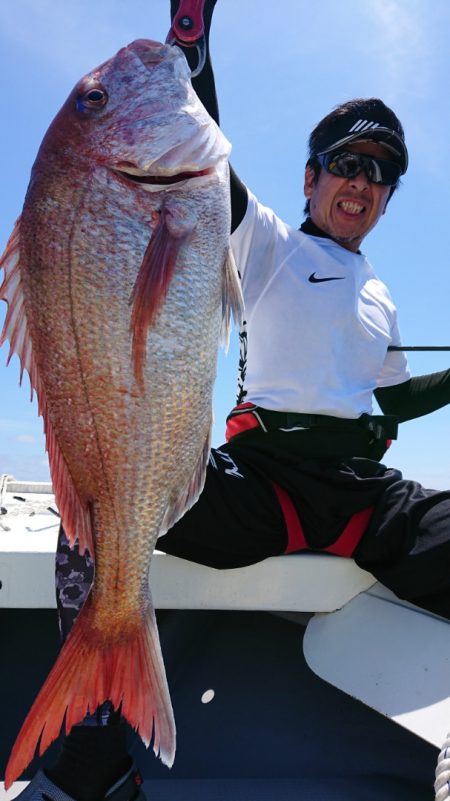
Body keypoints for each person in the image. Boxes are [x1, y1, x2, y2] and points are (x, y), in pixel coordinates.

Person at [14, 1, 450, 800]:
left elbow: (391, 400)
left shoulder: (381, 294)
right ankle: (92, 746)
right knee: (97, 526)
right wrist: (194, 45)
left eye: (381, 172)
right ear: (312, 178)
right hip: (263, 485)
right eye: (347, 162)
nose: (363, 180)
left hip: (367, 495)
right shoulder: (269, 243)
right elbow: (196, 158)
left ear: (388, 200)